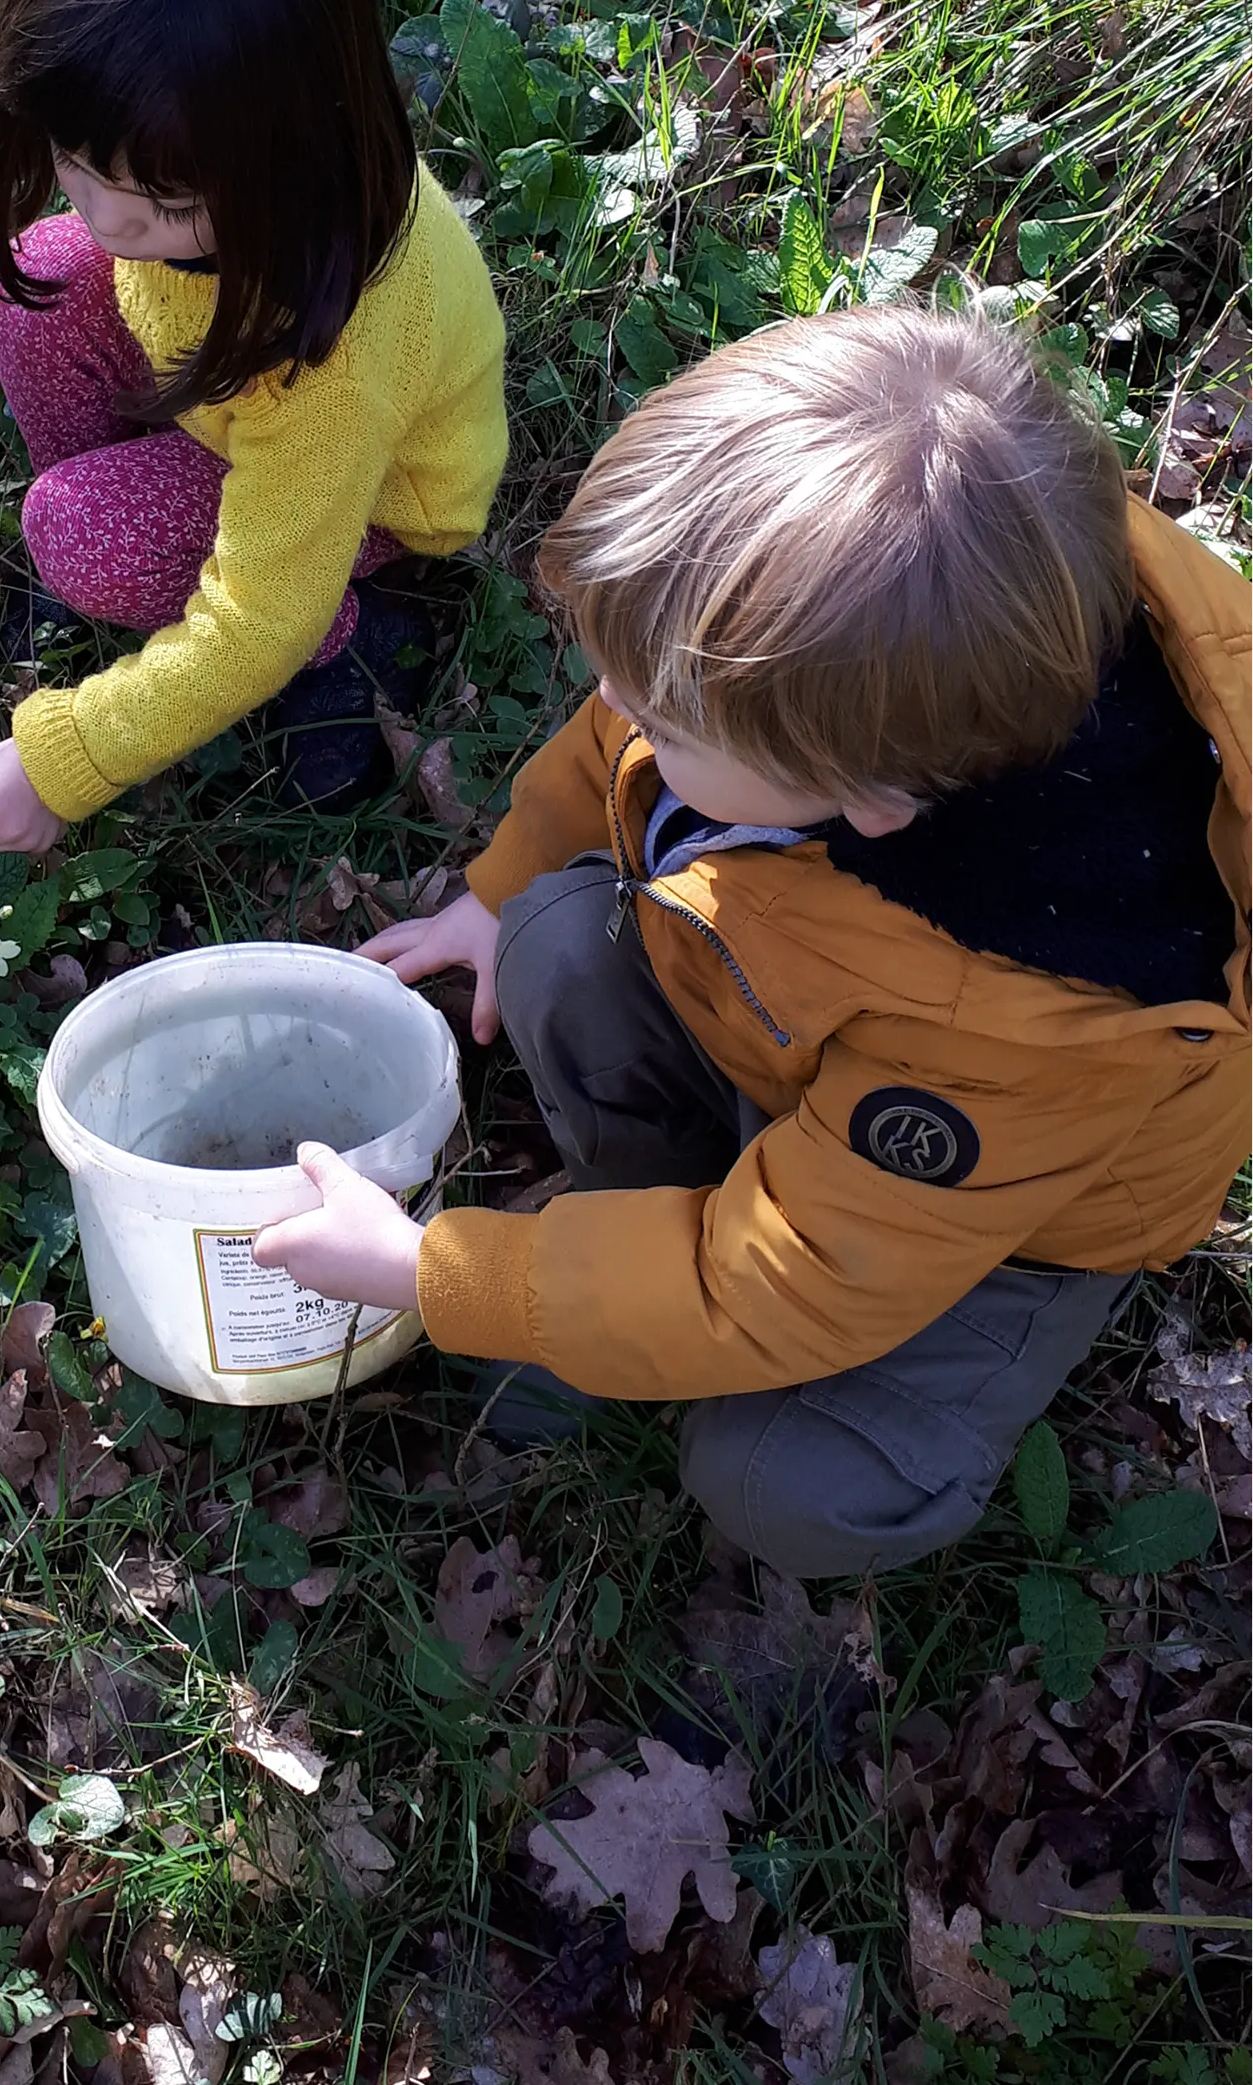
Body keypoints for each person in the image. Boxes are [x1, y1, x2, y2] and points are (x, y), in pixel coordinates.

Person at [253, 305, 1251, 1577]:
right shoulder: (892, 633)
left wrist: (441, 1274)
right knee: (557, 935)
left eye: (663, 715)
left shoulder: (1043, 1010)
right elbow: (625, 734)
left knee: (780, 1481)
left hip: (997, 1220)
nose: (615, 707)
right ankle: (626, 1260)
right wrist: (497, 888)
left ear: (874, 801)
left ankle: (812, 1376)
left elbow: (784, 1280)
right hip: (817, 1014)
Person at [0, 0, 506, 856]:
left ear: (295, 146)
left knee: (79, 531)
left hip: (371, 497)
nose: (104, 215)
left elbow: (258, 618)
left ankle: (354, 642)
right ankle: (143, 558)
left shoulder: (326, 340)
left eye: (165, 202)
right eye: (77, 163)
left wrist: (66, 763)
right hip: (238, 413)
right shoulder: (222, 176)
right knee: (39, 282)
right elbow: (112, 225)